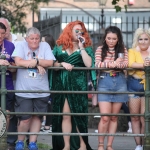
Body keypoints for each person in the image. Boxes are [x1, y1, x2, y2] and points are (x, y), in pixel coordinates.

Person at [51, 20, 96, 150]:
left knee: (79, 116)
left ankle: (82, 145)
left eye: (81, 31)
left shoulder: (86, 47)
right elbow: (52, 63)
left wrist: (81, 47)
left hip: (78, 84)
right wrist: (61, 64)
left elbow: (88, 64)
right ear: (69, 31)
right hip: (63, 84)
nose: (79, 33)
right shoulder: (59, 46)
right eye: (76, 30)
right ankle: (66, 145)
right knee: (65, 116)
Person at [12, 27, 56, 150]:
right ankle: (20, 141)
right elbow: (18, 61)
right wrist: (37, 64)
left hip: (41, 90)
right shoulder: (20, 45)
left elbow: (50, 62)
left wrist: (36, 62)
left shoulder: (45, 45)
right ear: (27, 39)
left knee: (37, 117)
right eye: (32, 39)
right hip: (24, 90)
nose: (35, 41)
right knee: (25, 118)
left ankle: (32, 142)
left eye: (37, 38)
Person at [95, 26, 128, 150]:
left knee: (114, 117)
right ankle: (100, 145)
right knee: (105, 117)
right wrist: (113, 64)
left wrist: (117, 64)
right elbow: (98, 64)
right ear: (105, 38)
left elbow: (126, 64)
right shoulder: (100, 49)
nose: (111, 41)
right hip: (105, 81)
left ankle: (109, 145)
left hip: (120, 82)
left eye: (114, 38)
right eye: (109, 38)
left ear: (118, 39)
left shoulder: (123, 49)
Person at [127, 28, 150, 150]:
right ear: (137, 40)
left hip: (148, 87)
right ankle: (138, 145)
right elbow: (130, 64)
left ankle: (145, 143)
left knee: (144, 117)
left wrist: (139, 66)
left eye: (146, 39)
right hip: (134, 85)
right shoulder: (132, 51)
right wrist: (144, 65)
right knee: (135, 117)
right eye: (140, 39)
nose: (143, 42)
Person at [0, 21, 16, 134]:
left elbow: (16, 67)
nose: (0, 36)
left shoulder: (10, 45)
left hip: (8, 84)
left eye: (2, 33)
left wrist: (9, 66)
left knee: (7, 113)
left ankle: (3, 140)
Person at [41, 34, 55, 132]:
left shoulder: (52, 53)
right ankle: (46, 123)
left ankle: (48, 124)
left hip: (51, 80)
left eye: (42, 41)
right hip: (46, 79)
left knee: (50, 103)